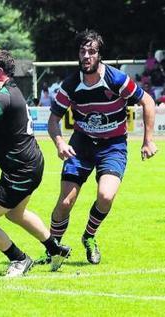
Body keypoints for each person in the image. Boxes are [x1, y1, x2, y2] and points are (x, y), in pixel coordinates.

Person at [36, 29, 157, 266]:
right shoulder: (70, 85)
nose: (86, 56)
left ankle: (89, 237)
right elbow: (53, 120)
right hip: (81, 144)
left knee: (105, 195)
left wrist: (148, 140)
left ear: (99, 54)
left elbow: (147, 101)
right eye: (83, 51)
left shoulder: (116, 80)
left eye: (92, 51)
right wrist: (59, 142)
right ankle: (53, 250)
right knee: (65, 202)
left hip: (113, 145)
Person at [0, 50, 71, 277]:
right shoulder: (8, 91)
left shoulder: (2, 96)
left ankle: (19, 259)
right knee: (16, 214)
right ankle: (55, 249)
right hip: (30, 164)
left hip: (20, 171)